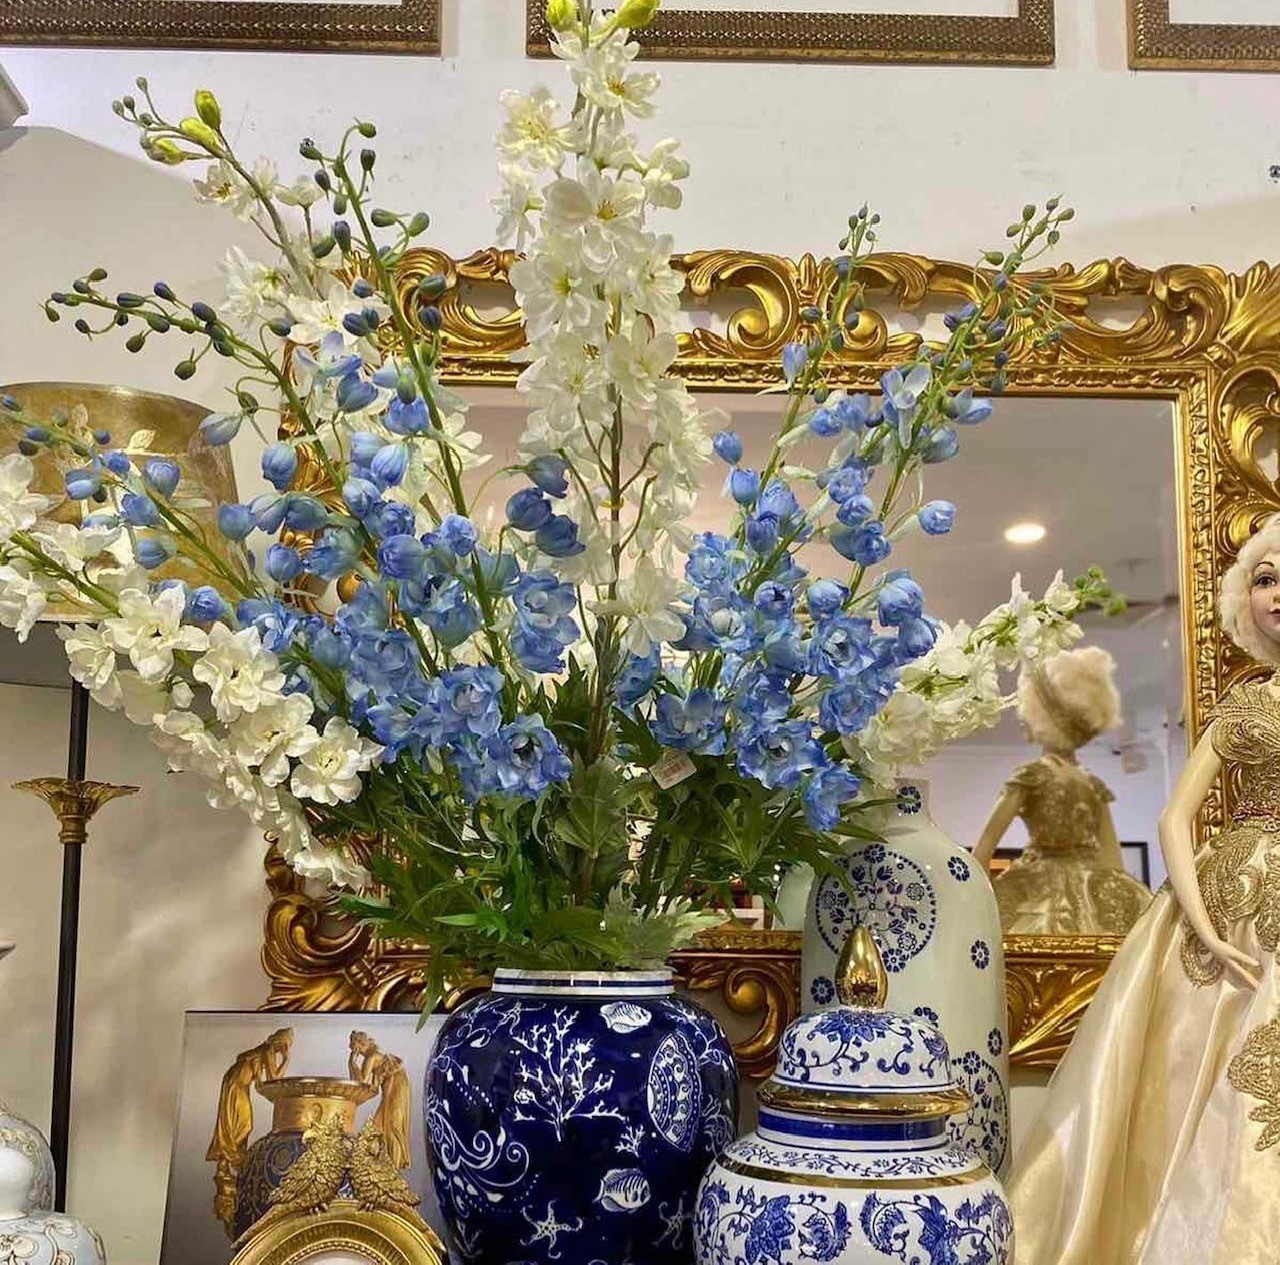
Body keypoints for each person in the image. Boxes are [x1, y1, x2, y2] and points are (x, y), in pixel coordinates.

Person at [1009, 516, 1280, 1263]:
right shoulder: (1244, 708)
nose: (1277, 594)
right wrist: (1204, 922)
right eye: (1264, 579)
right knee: (1199, 1090)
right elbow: (1173, 818)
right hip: (1239, 902)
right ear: (1244, 601)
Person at [972, 646, 1151, 935]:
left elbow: (984, 846)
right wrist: (1122, 902)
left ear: (1039, 716)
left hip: (1037, 891)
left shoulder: (1033, 776)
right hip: (1093, 890)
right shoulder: (1093, 785)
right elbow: (1113, 861)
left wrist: (973, 901)